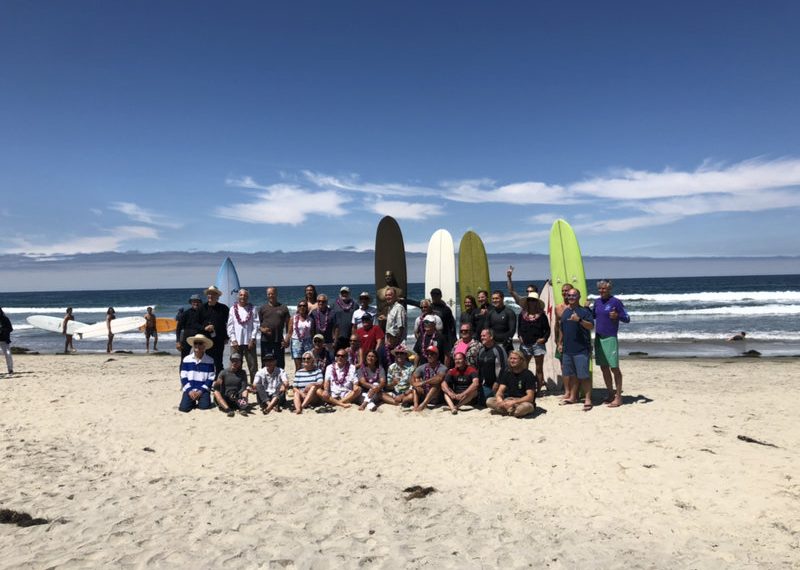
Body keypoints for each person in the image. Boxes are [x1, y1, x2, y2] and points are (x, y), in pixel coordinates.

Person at [593, 279, 630, 408]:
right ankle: (610, 394)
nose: (601, 291)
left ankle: (618, 397)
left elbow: (627, 318)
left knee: (614, 368)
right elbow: (592, 316)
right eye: (600, 288)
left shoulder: (616, 302)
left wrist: (617, 316)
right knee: (604, 368)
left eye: (604, 288)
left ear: (609, 289)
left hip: (610, 338)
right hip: (598, 338)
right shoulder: (597, 302)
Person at [559, 288, 594, 411]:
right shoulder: (565, 312)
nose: (571, 297)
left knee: (583, 375)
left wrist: (579, 320)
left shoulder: (584, 311)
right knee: (572, 375)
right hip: (568, 349)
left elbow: (591, 326)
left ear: (579, 297)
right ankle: (573, 397)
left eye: (574, 295)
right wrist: (560, 343)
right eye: (569, 295)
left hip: (581, 349)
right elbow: (562, 329)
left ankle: (588, 399)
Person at [487, 350, 536, 418]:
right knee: (489, 401)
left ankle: (508, 411)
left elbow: (530, 397)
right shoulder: (507, 373)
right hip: (509, 400)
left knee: (521, 409)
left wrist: (514, 402)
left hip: (523, 401)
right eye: (511, 358)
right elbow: (500, 391)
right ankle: (510, 410)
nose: (512, 361)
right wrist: (500, 399)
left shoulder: (528, 374)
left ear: (521, 360)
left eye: (515, 359)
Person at [517, 293, 550, 390]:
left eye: (534, 300)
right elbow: (519, 328)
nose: (531, 302)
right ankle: (525, 388)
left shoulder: (542, 315)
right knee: (523, 368)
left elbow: (547, 330)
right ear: (527, 302)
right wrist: (519, 336)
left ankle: (538, 390)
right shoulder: (521, 315)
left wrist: (544, 339)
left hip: (538, 345)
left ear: (537, 302)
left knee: (539, 368)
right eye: (530, 300)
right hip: (525, 344)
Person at [227, 288, 259, 383]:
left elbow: (256, 324)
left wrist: (252, 339)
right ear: (238, 296)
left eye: (245, 295)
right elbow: (230, 325)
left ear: (248, 297)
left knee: (253, 365)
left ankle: (254, 384)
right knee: (235, 364)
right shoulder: (233, 309)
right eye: (241, 295)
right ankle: (237, 383)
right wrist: (233, 339)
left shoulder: (253, 308)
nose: (243, 297)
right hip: (236, 342)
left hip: (249, 342)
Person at [179, 334, 216, 412]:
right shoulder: (186, 359)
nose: (197, 345)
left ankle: (196, 400)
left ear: (204, 346)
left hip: (202, 390)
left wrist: (200, 391)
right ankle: (191, 401)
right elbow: (183, 377)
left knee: (204, 407)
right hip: (190, 389)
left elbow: (211, 378)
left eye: (200, 343)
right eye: (195, 343)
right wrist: (189, 390)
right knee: (183, 408)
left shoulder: (210, 360)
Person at [258, 286, 290, 370]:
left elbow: (289, 324)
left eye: (272, 293)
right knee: (265, 361)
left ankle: (280, 380)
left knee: (280, 362)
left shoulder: (283, 307)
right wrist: (263, 330)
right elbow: (257, 324)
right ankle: (265, 381)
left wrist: (287, 338)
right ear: (267, 295)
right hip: (265, 340)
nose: (271, 295)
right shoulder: (262, 308)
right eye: (269, 294)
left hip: (279, 339)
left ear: (276, 294)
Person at [212, 353, 250, 417]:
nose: (234, 363)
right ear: (230, 361)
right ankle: (228, 410)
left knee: (245, 391)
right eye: (233, 361)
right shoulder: (223, 372)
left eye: (237, 361)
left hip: (237, 397)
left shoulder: (242, 373)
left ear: (240, 363)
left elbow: (243, 387)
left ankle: (242, 408)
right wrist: (217, 383)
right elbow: (216, 388)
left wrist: (237, 394)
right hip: (225, 397)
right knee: (216, 392)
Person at [202, 285, 230, 374]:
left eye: (213, 294)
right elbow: (195, 323)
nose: (210, 296)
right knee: (206, 361)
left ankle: (219, 383)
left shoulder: (224, 308)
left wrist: (226, 337)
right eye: (209, 294)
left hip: (219, 339)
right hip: (205, 339)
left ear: (217, 296)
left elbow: (229, 324)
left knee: (218, 362)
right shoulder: (202, 308)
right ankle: (207, 382)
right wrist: (204, 328)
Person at [411, 345, 447, 412]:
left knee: (436, 384)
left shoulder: (443, 367)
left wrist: (423, 383)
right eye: (428, 354)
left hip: (438, 397)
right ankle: (415, 405)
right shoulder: (423, 366)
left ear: (437, 355)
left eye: (432, 354)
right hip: (425, 393)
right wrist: (415, 384)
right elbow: (412, 376)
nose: (429, 356)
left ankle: (423, 405)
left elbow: (439, 378)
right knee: (415, 384)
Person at [476, 329, 507, 403]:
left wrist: (497, 382)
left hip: (498, 384)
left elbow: (504, 367)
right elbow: (479, 369)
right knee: (479, 401)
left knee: (487, 401)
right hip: (486, 384)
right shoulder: (481, 351)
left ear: (491, 337)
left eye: (484, 336)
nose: (482, 338)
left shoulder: (498, 349)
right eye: (481, 336)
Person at [176, 294, 207, 361]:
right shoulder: (186, 314)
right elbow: (178, 328)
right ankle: (183, 371)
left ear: (200, 303)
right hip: (187, 339)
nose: (196, 303)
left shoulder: (204, 314)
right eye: (193, 301)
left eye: (197, 301)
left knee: (201, 358)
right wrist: (178, 341)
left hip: (200, 339)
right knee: (184, 359)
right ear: (190, 303)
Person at [331, 286, 356, 351]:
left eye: (346, 293)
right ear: (340, 294)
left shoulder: (355, 305)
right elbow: (330, 320)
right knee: (338, 356)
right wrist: (333, 334)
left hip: (350, 336)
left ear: (349, 294)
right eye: (342, 293)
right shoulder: (334, 304)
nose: (344, 294)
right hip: (337, 336)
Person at [290, 300, 313, 370]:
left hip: (308, 342)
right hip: (296, 342)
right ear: (298, 307)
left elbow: (312, 332)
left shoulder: (310, 319)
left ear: (306, 307)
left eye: (304, 306)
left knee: (308, 364)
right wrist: (286, 341)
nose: (302, 307)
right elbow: (289, 332)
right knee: (298, 366)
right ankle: (298, 380)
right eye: (300, 306)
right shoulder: (293, 318)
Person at [0, 307, 13, 375]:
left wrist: (4, 331)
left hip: (4, 340)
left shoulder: (5, 319)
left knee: (8, 354)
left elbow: (10, 329)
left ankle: (10, 369)